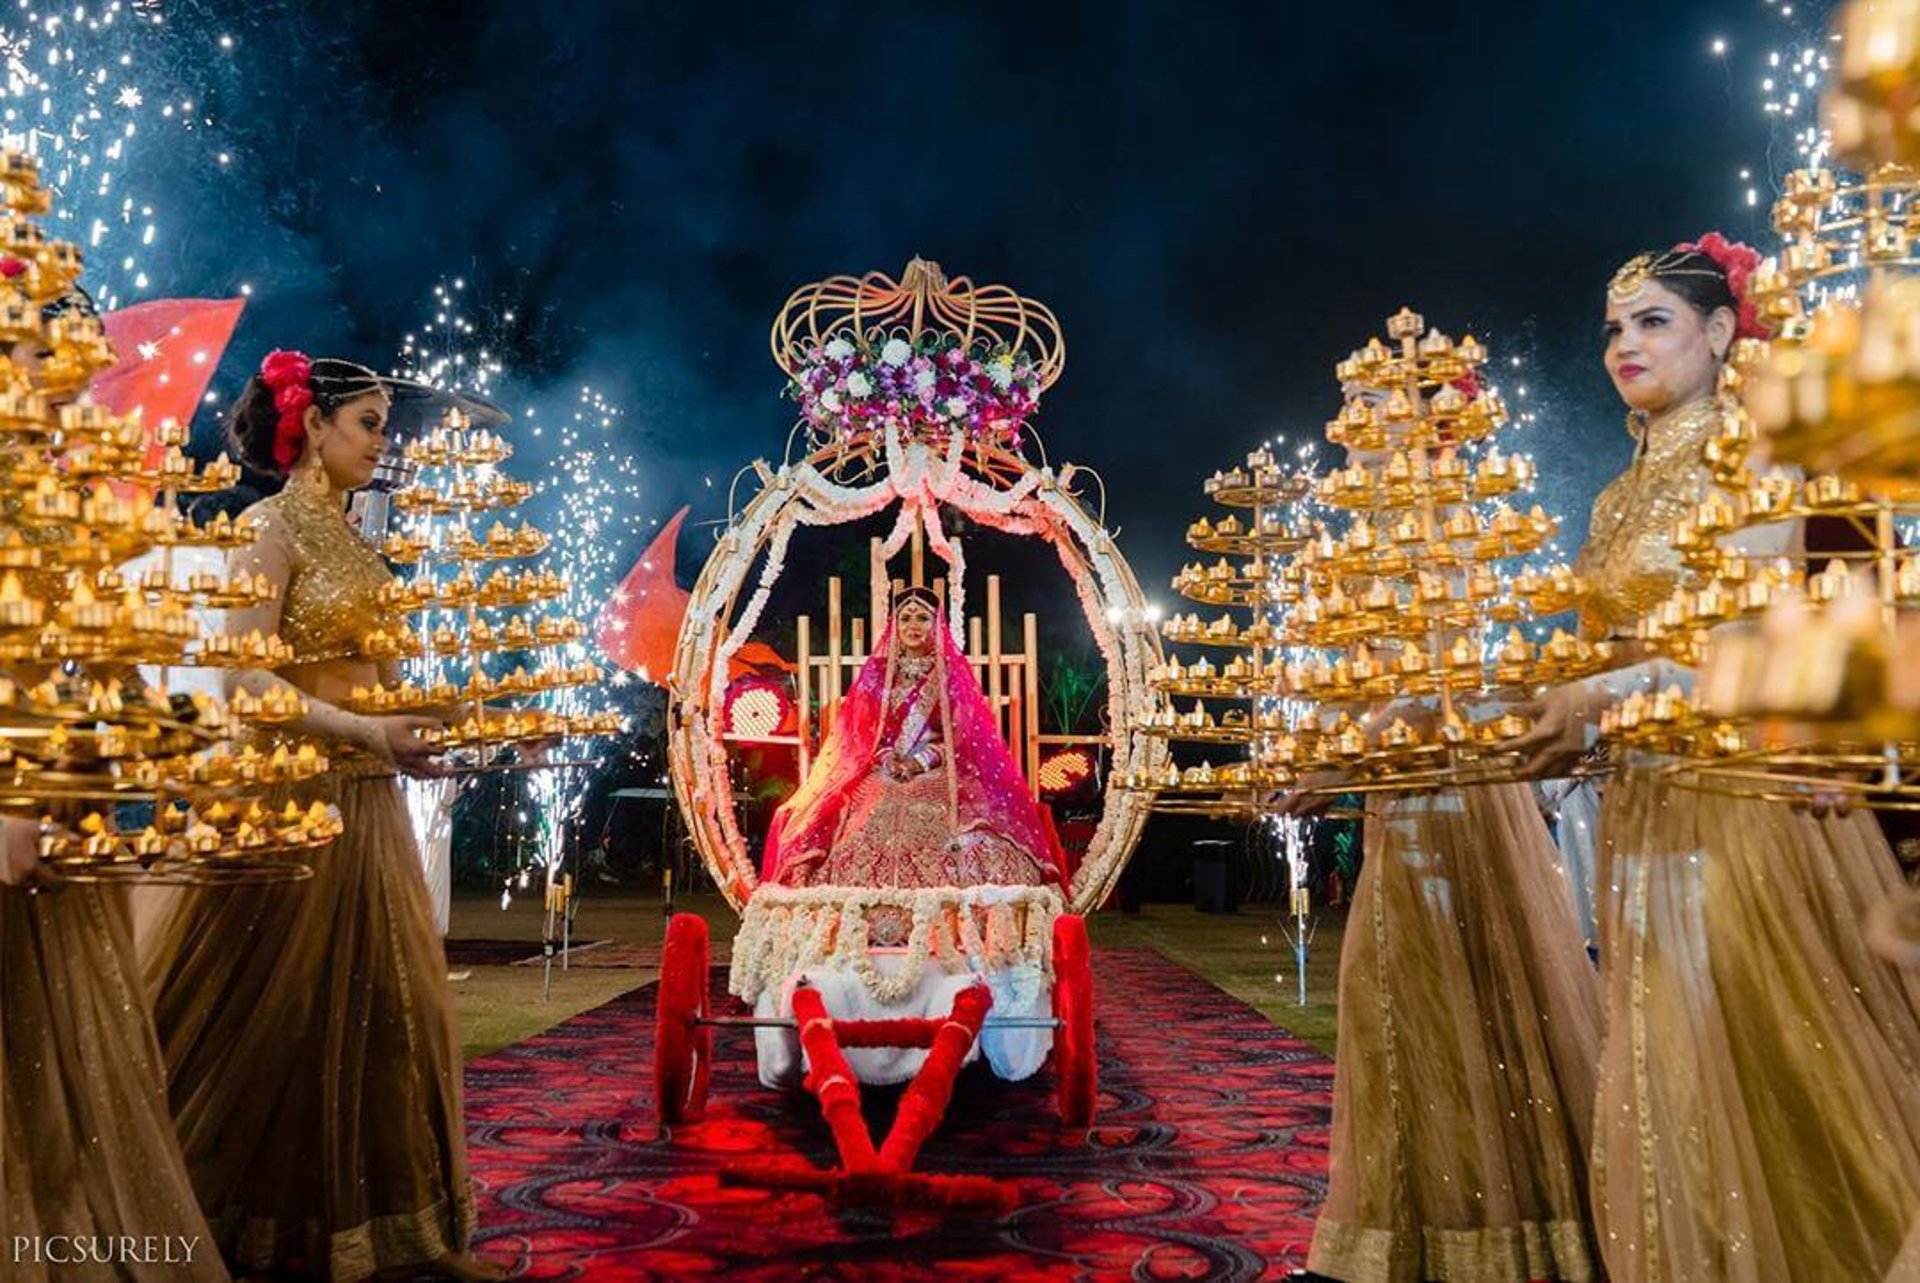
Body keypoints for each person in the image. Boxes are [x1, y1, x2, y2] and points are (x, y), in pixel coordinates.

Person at [1515, 235, 1920, 1282]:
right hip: (1633, 803)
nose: (1624, 344)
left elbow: (1773, 641)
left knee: (1773, 1057)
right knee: (1660, 1065)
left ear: (1724, 331)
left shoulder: (1763, 455)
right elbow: (1604, 647)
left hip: (1746, 797)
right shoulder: (1612, 501)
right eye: (1614, 326)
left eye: (1653, 320)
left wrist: (1613, 694)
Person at [144, 351, 496, 1281]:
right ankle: (212, 1220)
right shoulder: (269, 529)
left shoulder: (357, 542)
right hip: (287, 798)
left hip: (367, 799)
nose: (387, 442)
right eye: (371, 423)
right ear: (313, 428)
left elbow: (377, 678)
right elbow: (243, 677)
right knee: (259, 1020)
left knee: (388, 1011)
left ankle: (389, 1231)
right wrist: (367, 734)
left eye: (385, 423)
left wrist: (466, 723)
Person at [0, 289, 229, 1283]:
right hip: (22, 818)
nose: (86, 393)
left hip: (60, 840)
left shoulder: (69, 505)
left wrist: (171, 737)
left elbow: (99, 668)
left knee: (62, 1108)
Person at [763, 585, 1060, 890]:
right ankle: (860, 899)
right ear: (895, 625)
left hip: (937, 770)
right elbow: (863, 734)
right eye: (905, 618)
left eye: (922, 618)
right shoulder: (878, 674)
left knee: (933, 813)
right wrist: (888, 759)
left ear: (936, 626)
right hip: (884, 769)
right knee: (874, 806)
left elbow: (960, 738)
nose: (913, 626)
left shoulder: (949, 675)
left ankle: (942, 904)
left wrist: (920, 762)